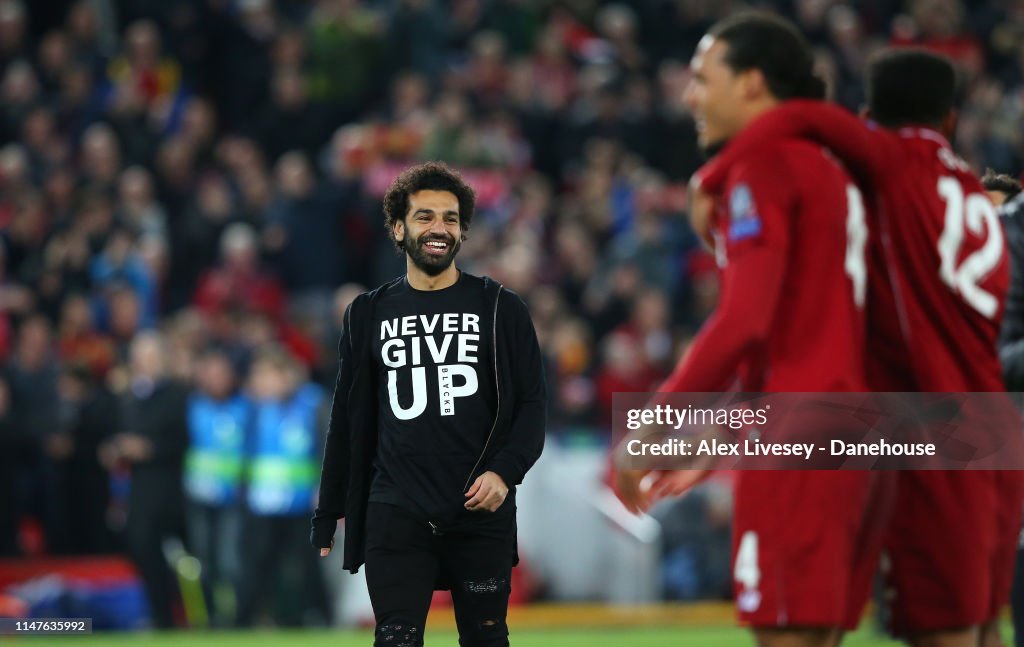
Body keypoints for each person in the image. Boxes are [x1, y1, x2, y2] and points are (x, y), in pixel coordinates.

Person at [692, 49, 1023, 647]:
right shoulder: (978, 198)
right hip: (991, 433)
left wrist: (710, 182)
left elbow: (799, 119)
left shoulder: (894, 161)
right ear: (952, 119)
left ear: (868, 117)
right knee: (978, 629)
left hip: (928, 431)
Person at [612, 12, 888, 646]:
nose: (690, 96)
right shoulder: (834, 171)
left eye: (704, 78)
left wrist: (652, 425)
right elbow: (806, 338)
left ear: (753, 84)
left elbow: (744, 321)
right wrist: (722, 440)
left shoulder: (765, 165)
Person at [310, 161, 546, 647]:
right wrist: (328, 510)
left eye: (451, 218)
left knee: (487, 639)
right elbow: (346, 422)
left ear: (463, 230)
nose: (439, 228)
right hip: (394, 507)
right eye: (424, 217)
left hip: (480, 510)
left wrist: (503, 473)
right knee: (395, 639)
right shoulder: (367, 313)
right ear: (398, 228)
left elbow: (532, 408)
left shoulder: (502, 308)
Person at [99, 332, 188, 628]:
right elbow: (109, 433)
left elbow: (187, 441)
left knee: (189, 553)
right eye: (140, 356)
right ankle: (161, 616)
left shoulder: (179, 395)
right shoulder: (125, 398)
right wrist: (113, 449)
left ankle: (202, 614)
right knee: (142, 548)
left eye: (151, 356)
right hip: (137, 489)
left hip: (173, 486)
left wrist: (150, 449)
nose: (145, 362)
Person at [236, 348, 329, 627]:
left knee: (304, 565)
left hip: (301, 501)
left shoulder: (313, 404)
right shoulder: (253, 409)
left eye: (266, 376)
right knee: (258, 563)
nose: (260, 383)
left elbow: (327, 449)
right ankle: (250, 619)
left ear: (286, 376)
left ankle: (316, 616)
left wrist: (323, 490)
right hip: (261, 501)